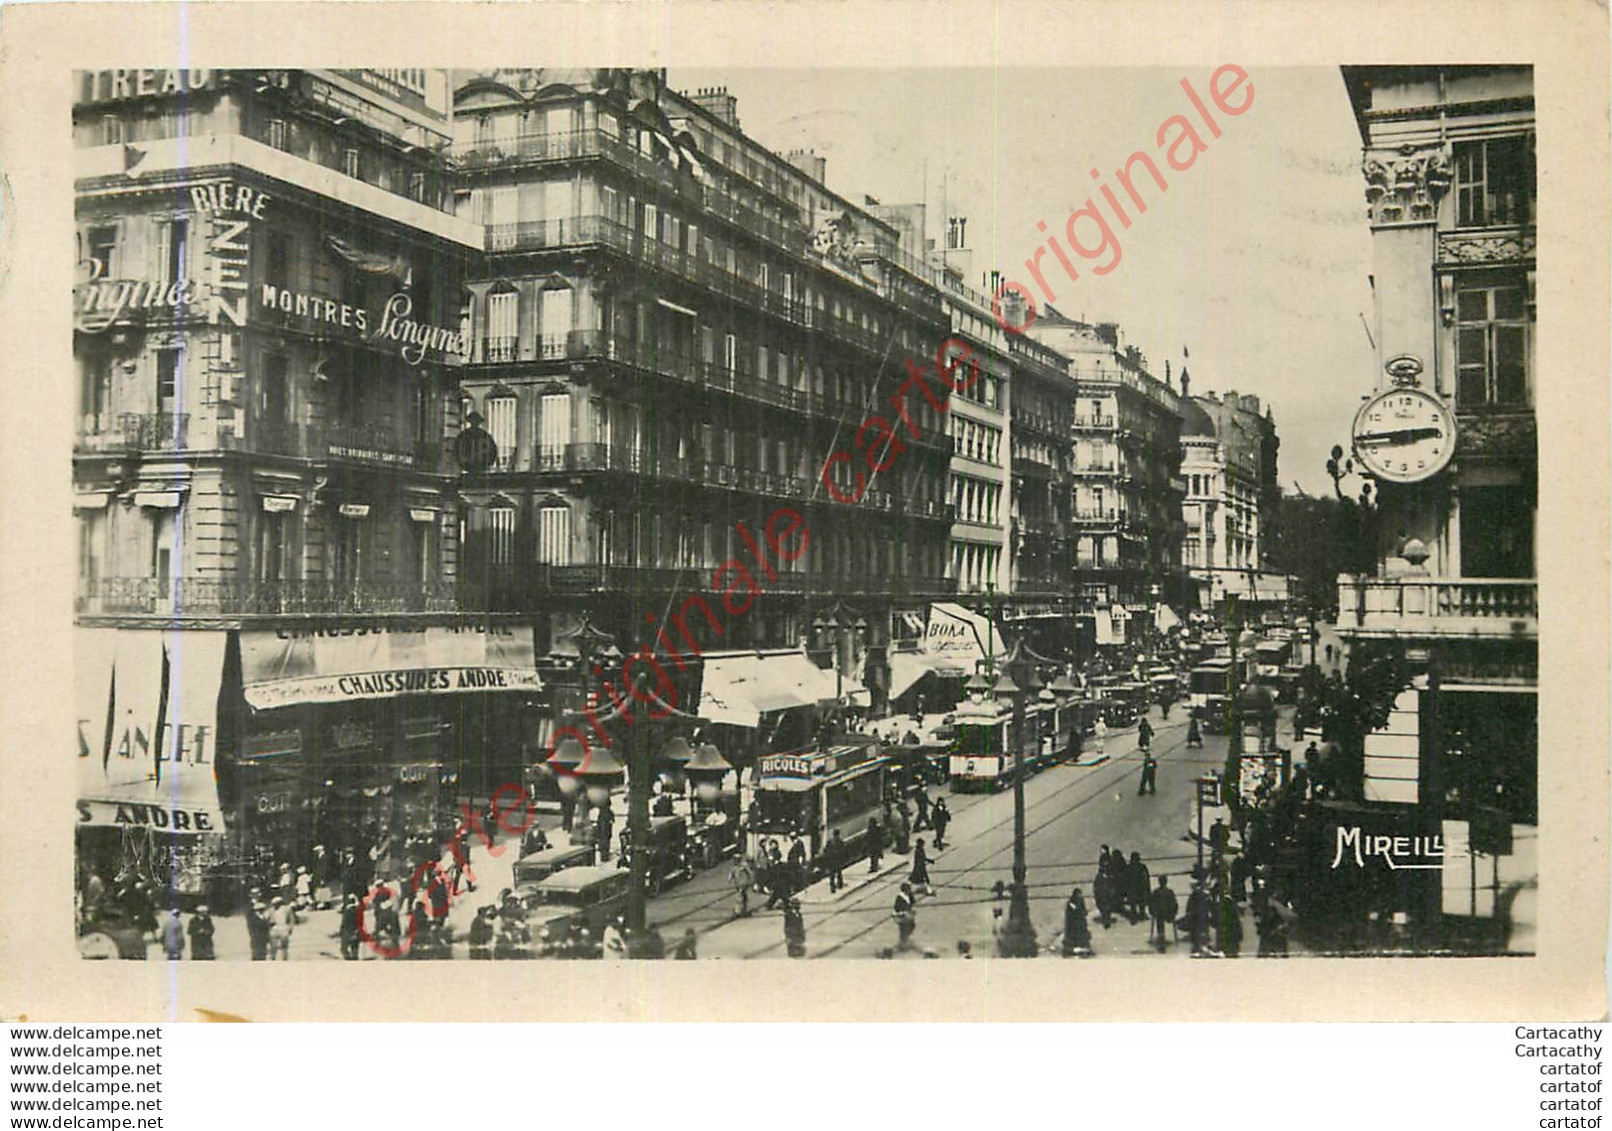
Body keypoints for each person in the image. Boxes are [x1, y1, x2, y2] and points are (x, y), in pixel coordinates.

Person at [1148, 876, 1178, 951]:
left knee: (1159, 917)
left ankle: (1161, 934)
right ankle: (1161, 935)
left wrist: (1152, 912)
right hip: (1168, 914)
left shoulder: (1156, 892)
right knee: (1160, 915)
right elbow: (1174, 904)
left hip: (1159, 914)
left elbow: (1151, 904)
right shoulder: (1170, 892)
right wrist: (1174, 913)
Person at [1062, 887, 1092, 957]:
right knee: (1075, 936)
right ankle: (1075, 948)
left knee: (1079, 935)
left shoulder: (1079, 902)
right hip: (1074, 925)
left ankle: (1078, 948)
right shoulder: (1072, 904)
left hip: (1079, 924)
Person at [267, 896, 296, 960]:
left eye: (277, 904)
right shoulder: (271, 910)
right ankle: (273, 958)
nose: (275, 905)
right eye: (274, 904)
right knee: (273, 946)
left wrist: (290, 928)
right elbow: (267, 919)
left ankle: (284, 959)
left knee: (284, 946)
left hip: (283, 927)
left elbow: (291, 919)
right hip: (274, 928)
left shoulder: (287, 909)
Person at [1125, 852, 1151, 924]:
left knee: (1134, 904)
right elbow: (1146, 879)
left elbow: (1125, 880)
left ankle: (1135, 916)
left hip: (1134, 889)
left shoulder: (1128, 867)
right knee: (1140, 903)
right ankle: (1140, 914)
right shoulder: (1142, 867)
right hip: (1139, 889)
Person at [245, 889, 269, 961]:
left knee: (263, 950)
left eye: (258, 894)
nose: (257, 896)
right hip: (255, 930)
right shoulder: (249, 906)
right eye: (255, 894)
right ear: (251, 895)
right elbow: (250, 919)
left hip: (263, 930)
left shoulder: (262, 904)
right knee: (256, 949)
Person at [892, 883, 916, 951]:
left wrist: (913, 909)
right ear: (904, 890)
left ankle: (906, 941)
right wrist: (902, 913)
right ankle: (902, 943)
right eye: (908, 890)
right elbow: (896, 908)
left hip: (909, 916)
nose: (909, 891)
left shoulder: (910, 896)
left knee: (911, 926)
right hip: (901, 916)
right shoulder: (899, 898)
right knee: (903, 929)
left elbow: (913, 903)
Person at [338, 895, 361, 960]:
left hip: (348, 932)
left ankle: (349, 960)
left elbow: (344, 923)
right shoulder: (358, 910)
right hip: (356, 932)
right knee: (355, 950)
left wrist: (341, 931)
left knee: (344, 949)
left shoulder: (347, 911)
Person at [824, 829, 846, 893]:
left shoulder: (835, 841)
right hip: (833, 860)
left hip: (835, 860)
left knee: (836, 874)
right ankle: (834, 887)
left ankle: (839, 885)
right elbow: (826, 850)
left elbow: (843, 850)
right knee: (834, 874)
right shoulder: (832, 842)